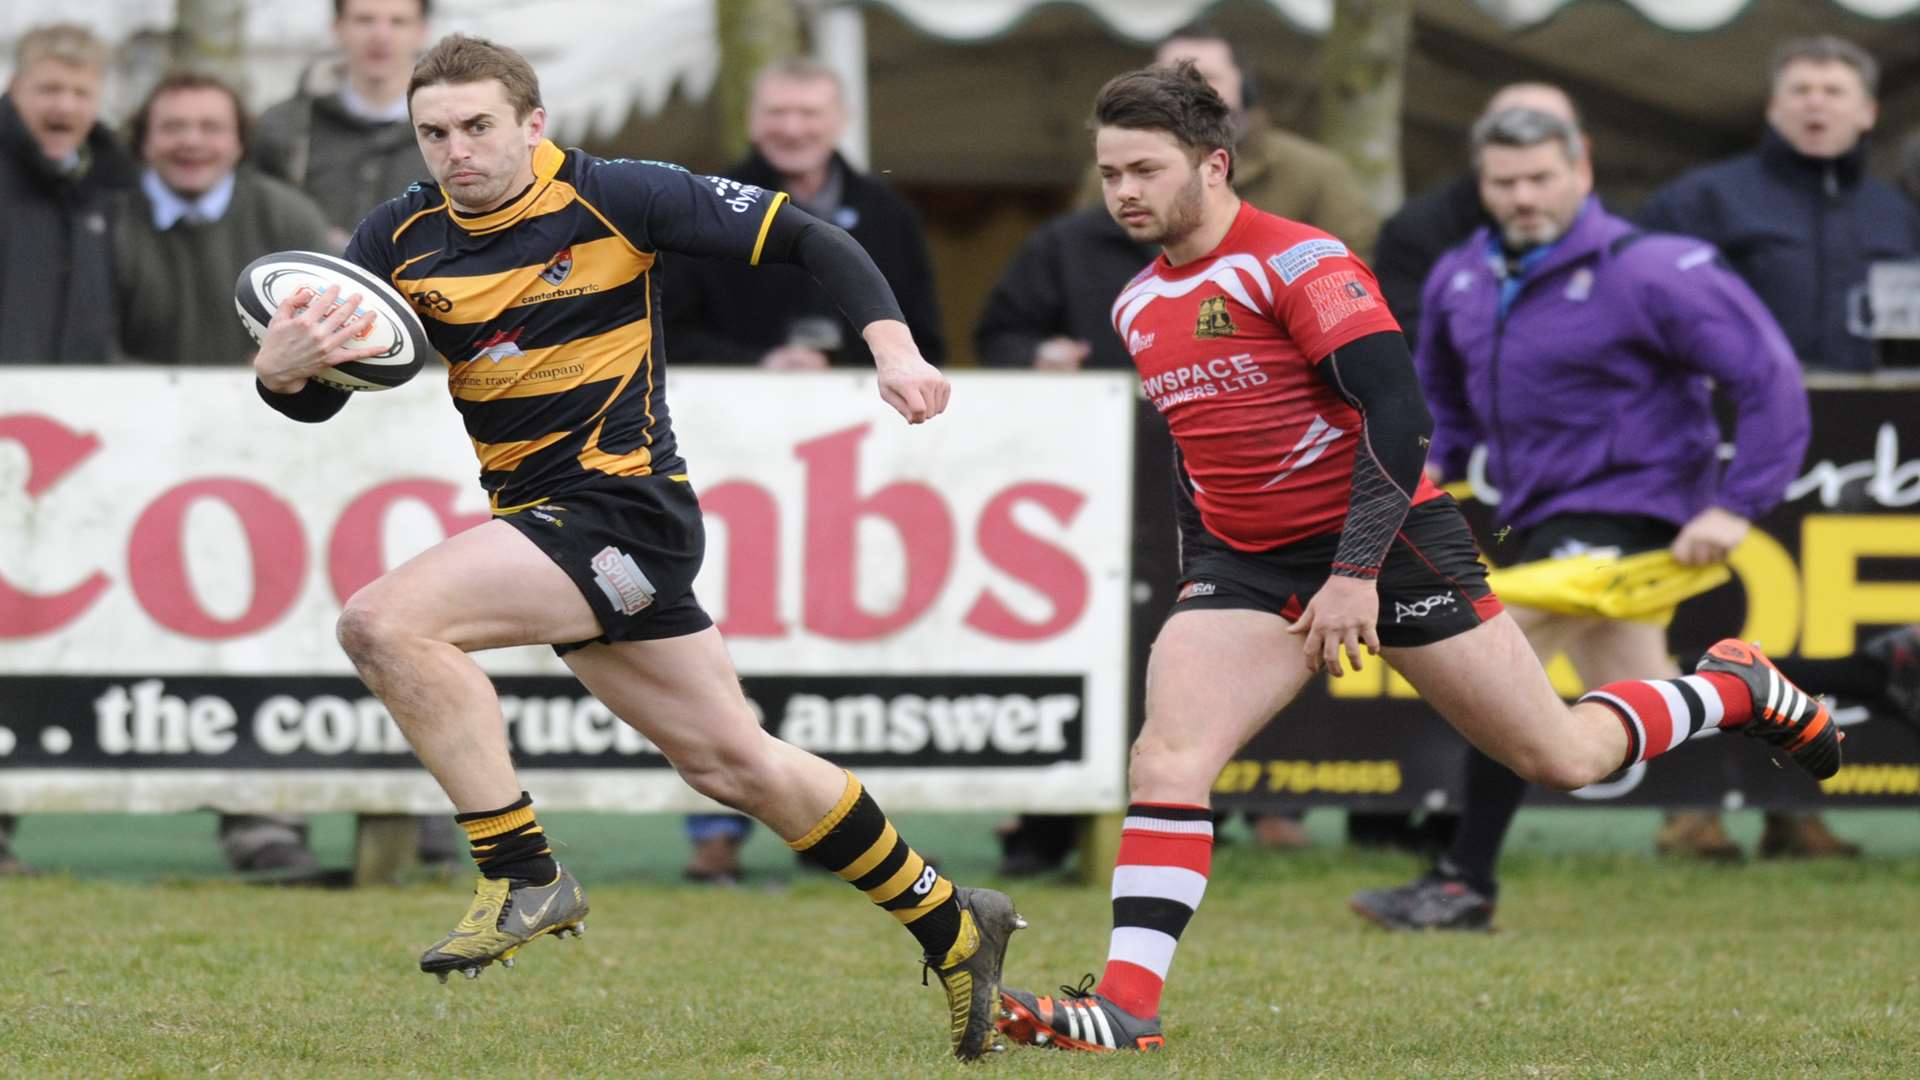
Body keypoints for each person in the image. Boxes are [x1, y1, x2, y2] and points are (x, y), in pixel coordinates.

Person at [992, 61, 1839, 1055]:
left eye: (1145, 168)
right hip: (1251, 567)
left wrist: (1354, 575)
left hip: (1392, 548)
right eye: (1109, 173)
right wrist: (1202, 572)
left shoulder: (1299, 262)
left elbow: (1403, 416)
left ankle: (1732, 691)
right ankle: (1127, 1005)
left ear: (1215, 166)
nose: (1124, 191)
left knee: (1563, 757)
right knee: (1168, 759)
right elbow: (1196, 450)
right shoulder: (1139, 304)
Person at [248, 34, 1017, 1060]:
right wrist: (282, 371)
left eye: (479, 127)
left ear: (533, 124)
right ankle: (954, 921)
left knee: (385, 624)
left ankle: (522, 873)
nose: (457, 151)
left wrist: (893, 345)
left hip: (622, 509)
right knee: (731, 760)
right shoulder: (399, 235)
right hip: (548, 519)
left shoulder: (618, 194)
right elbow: (319, 396)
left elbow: (812, 240)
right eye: (434, 132)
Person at [1348, 106, 1812, 932]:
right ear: (1481, 184)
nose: (1523, 197)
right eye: (1505, 182)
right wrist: (1422, 479)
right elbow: (1441, 406)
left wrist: (1737, 503)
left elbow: (1768, 375)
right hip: (1543, 519)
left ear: (1582, 168)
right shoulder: (1464, 275)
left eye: (1540, 178)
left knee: (1497, 664)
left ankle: (1463, 883)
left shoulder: (1657, 267)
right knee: (1649, 703)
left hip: (1630, 515)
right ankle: (1862, 676)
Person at [1638, 35, 1920, 373]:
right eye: (1800, 90)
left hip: (1872, 412)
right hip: (1740, 409)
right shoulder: (1702, 198)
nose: (1816, 103)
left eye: (1834, 92)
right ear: (1773, 108)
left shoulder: (1898, 213)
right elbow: (1639, 295)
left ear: (1868, 113)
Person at [661, 57, 944, 370]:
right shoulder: (706, 207)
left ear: (842, 120)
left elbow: (924, 340)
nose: (792, 129)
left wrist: (845, 367)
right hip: (731, 409)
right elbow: (667, 336)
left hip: (867, 409)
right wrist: (762, 363)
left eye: (809, 114)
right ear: (750, 120)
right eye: (776, 113)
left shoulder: (890, 216)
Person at [1077, 22, 1379, 260]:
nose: (1189, 92)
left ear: (1243, 85)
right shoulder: (1109, 178)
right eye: (1170, 80)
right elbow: (1080, 264)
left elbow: (1353, 273)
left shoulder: (1318, 173)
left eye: (1207, 77)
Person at [116, 71, 335, 368]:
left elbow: (329, 325)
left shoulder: (290, 217)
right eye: (173, 127)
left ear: (239, 142)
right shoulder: (107, 223)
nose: (191, 141)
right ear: (144, 141)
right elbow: (90, 344)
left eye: (211, 128)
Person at [0, 23, 135, 366]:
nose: (64, 106)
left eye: (81, 93)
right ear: (15, 89)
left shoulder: (117, 186)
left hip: (82, 404)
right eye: (49, 89)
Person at [255, 0, 433, 250]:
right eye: (365, 20)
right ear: (337, 27)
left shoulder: (453, 131)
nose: (380, 35)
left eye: (398, 22)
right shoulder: (284, 126)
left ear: (422, 32)